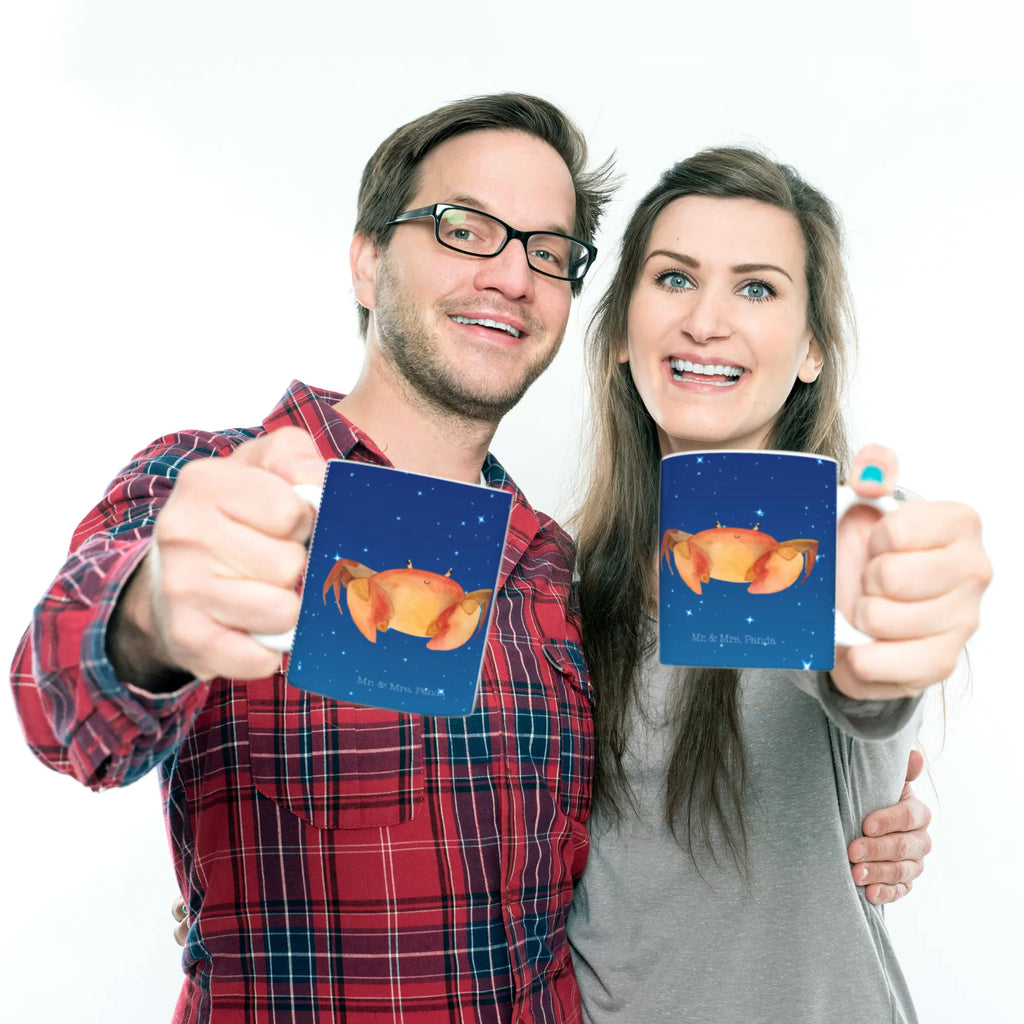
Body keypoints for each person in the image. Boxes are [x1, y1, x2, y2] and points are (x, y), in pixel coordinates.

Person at [11, 93, 937, 1024]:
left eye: (547, 251)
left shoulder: (554, 574)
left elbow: (822, 703)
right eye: (465, 228)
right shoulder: (216, 488)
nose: (510, 275)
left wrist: (868, 766)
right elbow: (62, 704)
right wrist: (151, 618)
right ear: (367, 260)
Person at [566, 146, 992, 1023]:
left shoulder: (848, 548)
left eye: (756, 288)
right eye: (675, 278)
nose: (706, 321)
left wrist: (883, 641)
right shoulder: (564, 583)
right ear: (618, 334)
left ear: (811, 351)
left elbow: (868, 684)